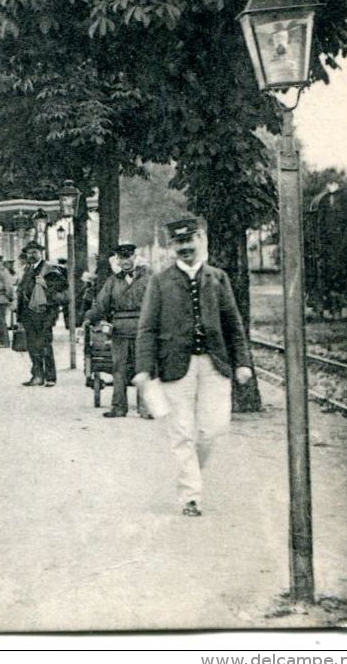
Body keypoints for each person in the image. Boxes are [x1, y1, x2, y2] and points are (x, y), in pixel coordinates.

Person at [133, 218, 253, 517]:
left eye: (191, 241)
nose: (186, 248)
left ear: (202, 241)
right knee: (182, 431)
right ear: (173, 246)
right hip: (175, 366)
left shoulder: (218, 278)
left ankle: (189, 474)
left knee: (213, 429)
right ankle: (191, 496)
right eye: (179, 242)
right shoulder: (160, 282)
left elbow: (234, 324)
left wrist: (242, 362)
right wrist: (144, 368)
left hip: (215, 364)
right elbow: (146, 328)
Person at [84, 242, 152, 419]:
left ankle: (145, 408)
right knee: (118, 368)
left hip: (143, 330)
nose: (125, 261)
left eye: (128, 257)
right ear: (118, 260)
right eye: (122, 258)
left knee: (143, 368)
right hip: (119, 331)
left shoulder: (148, 278)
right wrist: (89, 317)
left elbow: (158, 304)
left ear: (135, 258)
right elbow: (101, 305)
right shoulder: (113, 281)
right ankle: (119, 407)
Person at [16, 242, 64, 386]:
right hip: (28, 315)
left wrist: (46, 286)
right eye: (29, 253)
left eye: (35, 252)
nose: (32, 255)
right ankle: (37, 376)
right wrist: (19, 316)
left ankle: (50, 377)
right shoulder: (28, 269)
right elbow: (22, 292)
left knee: (44, 345)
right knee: (32, 346)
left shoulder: (49, 270)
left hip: (44, 314)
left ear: (41, 253)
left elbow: (59, 290)